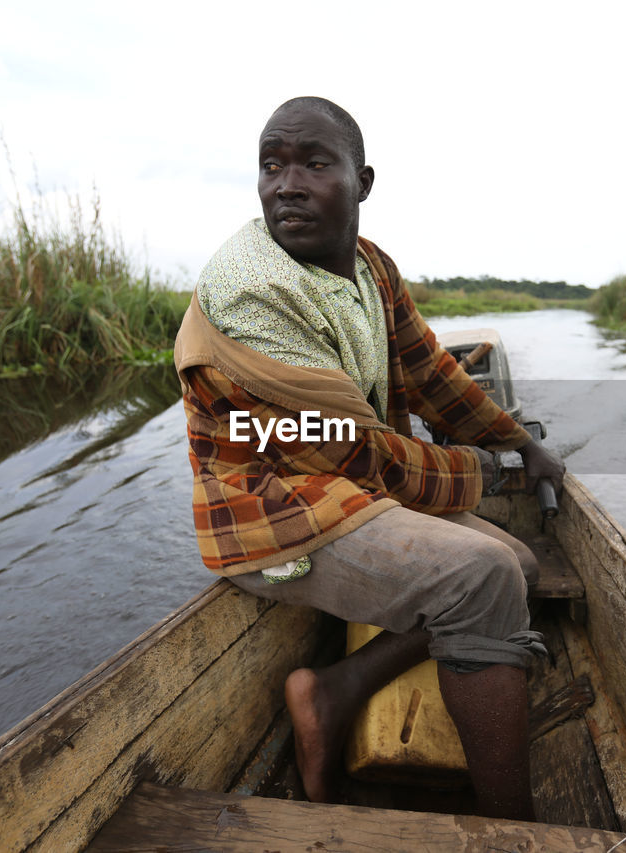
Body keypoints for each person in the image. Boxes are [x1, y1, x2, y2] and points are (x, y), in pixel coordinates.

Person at [172, 96, 565, 820]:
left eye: (314, 164)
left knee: (522, 568)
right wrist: (488, 472)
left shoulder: (370, 268)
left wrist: (518, 440)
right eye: (271, 166)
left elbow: (432, 374)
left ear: (363, 181)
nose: (286, 184)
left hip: (341, 489)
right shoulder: (253, 298)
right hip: (273, 512)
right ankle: (517, 831)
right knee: (481, 576)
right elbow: (361, 455)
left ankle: (336, 688)